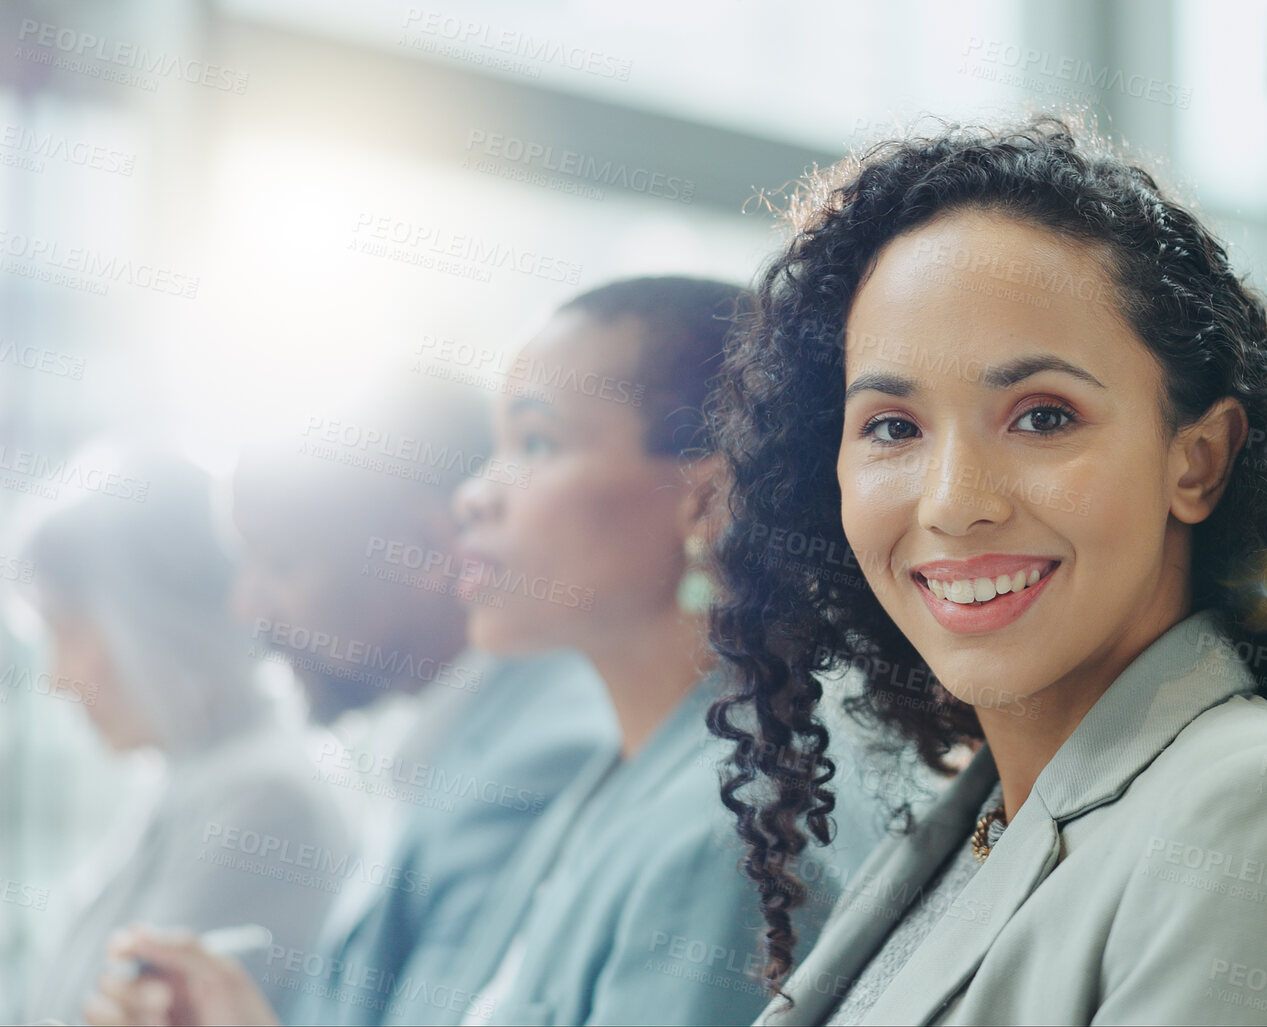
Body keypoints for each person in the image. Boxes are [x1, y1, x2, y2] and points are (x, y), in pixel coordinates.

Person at [707, 119, 1267, 1025]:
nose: (951, 502)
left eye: (1043, 416)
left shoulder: (1263, 811)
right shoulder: (971, 821)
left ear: (1197, 461)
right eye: (893, 427)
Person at [92, 277, 886, 1026]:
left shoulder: (723, 834)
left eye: (536, 442)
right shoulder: (623, 779)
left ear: (705, 499)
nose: (475, 494)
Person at [83, 384, 614, 1025]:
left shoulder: (538, 756)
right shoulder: (436, 744)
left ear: (424, 543)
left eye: (279, 562)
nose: (246, 608)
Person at [15, 450, 349, 1025]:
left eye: (69, 630)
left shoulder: (263, 803)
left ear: (155, 621)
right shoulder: (192, 782)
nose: (56, 678)